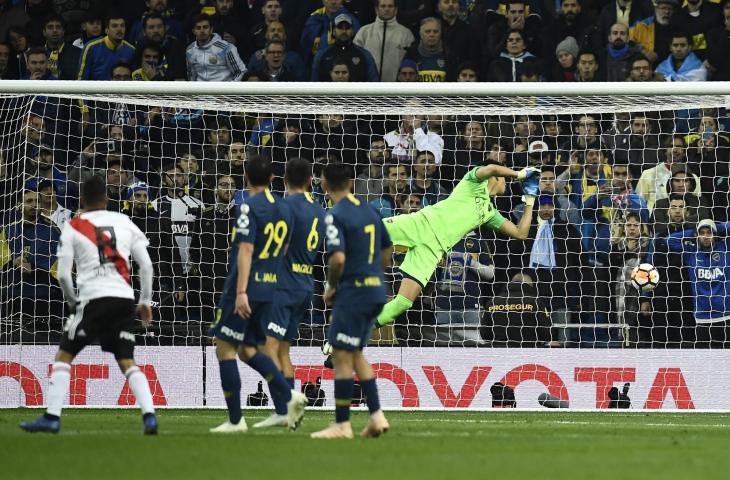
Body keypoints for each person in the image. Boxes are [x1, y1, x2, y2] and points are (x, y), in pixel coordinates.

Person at [19, 176, 158, 434]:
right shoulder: (124, 222)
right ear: (107, 199)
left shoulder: (74, 225)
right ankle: (149, 416)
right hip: (124, 299)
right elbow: (146, 266)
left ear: (81, 200)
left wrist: (74, 303)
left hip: (93, 298)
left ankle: (52, 417)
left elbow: (62, 275)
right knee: (127, 360)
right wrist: (145, 302)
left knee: (64, 355)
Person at [208, 155, 307, 433]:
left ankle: (236, 420)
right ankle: (289, 397)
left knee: (225, 348)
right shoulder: (286, 208)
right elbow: (285, 247)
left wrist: (240, 291)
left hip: (244, 288)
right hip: (270, 287)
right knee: (248, 350)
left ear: (246, 178)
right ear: (273, 179)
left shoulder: (247, 207)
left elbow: (246, 249)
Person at [375, 163, 541, 328]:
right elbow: (491, 168)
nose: (507, 183)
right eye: (505, 179)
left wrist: (530, 199)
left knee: (403, 303)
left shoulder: (490, 212)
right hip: (420, 224)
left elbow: (520, 233)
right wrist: (520, 174)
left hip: (432, 250)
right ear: (497, 178)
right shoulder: (473, 182)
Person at [311, 163, 393, 440]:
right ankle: (376, 416)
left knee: (341, 355)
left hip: (353, 292)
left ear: (325, 183)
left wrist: (331, 286)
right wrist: (373, 273)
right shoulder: (370, 210)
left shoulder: (335, 215)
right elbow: (387, 250)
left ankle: (343, 424)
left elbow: (337, 258)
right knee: (354, 353)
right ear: (350, 182)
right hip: (375, 291)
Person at [254, 159, 326, 429]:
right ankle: (288, 409)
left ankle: (284, 407)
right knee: (283, 350)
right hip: (305, 284)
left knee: (268, 349)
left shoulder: (283, 207)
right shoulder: (319, 210)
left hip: (282, 285)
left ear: (283, 179)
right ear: (310, 180)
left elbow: (279, 247)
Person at [665, 219, 730, 347]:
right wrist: (694, 230)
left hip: (727, 316)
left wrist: (717, 227)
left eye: (709, 233)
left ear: (715, 235)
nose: (705, 236)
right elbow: (669, 240)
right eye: (702, 233)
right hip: (702, 317)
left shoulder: (726, 248)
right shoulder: (691, 252)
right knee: (705, 363)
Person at [353, 0, 415, 81]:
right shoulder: (364, 32)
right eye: (383, 6)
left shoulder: (406, 34)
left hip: (396, 88)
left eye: (390, 6)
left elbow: (410, 64)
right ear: (376, 10)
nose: (386, 9)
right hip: (368, 87)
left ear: (395, 10)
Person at [311, 13, 378, 82]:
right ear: (333, 31)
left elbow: (374, 83)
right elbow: (314, 83)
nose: (344, 31)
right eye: (340, 28)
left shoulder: (365, 55)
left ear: (352, 31)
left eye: (347, 28)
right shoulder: (322, 55)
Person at [186, 14, 247, 82]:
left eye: (205, 27)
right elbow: (191, 76)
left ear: (211, 29)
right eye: (198, 28)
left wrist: (228, 90)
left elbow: (240, 72)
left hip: (223, 91)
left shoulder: (226, 48)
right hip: (200, 91)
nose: (202, 31)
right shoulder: (190, 50)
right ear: (194, 31)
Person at [77, 13, 135, 80]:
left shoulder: (131, 50)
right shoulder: (91, 47)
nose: (119, 29)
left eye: (122, 26)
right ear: (106, 30)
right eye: (114, 26)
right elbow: (81, 79)